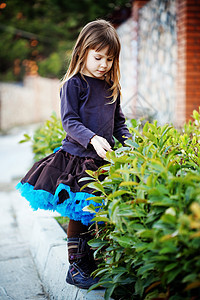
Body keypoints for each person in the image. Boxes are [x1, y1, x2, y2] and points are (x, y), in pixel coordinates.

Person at [16, 19, 132, 289]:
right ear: (83, 51)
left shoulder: (111, 87)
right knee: (79, 213)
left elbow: (119, 124)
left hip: (102, 162)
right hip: (77, 160)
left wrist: (129, 146)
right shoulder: (74, 84)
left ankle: (90, 263)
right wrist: (92, 139)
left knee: (94, 213)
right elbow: (69, 121)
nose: (104, 64)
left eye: (110, 59)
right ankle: (76, 267)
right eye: (98, 57)